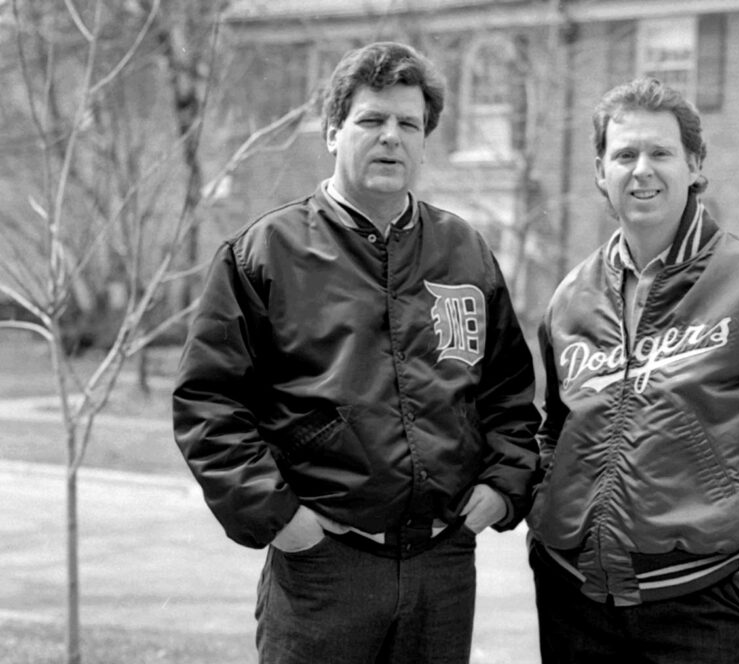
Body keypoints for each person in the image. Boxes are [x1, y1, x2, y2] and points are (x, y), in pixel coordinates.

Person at [172, 41, 540, 664]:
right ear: (333, 131)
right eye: (372, 120)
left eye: (408, 124)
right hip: (325, 566)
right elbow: (209, 406)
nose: (391, 137)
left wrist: (502, 490)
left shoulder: (465, 252)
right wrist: (285, 521)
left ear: (425, 142)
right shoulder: (265, 254)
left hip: (441, 565)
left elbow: (507, 392)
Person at [527, 76, 739, 663]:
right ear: (600, 170)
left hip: (704, 606)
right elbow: (556, 428)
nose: (641, 170)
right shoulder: (571, 296)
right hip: (572, 597)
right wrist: (544, 524)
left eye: (661, 152)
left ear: (696, 164)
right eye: (624, 155)